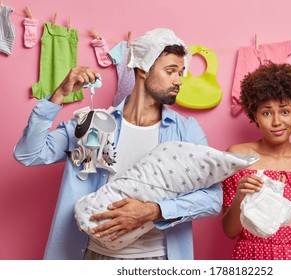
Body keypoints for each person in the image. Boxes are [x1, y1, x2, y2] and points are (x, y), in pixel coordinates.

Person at [14, 28, 222, 260]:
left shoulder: (186, 131)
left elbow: (213, 199)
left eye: (181, 72)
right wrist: (59, 95)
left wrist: (152, 211)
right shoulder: (92, 124)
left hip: (159, 259)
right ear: (142, 68)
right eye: (171, 71)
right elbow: (28, 154)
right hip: (93, 256)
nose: (178, 80)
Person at [221, 62, 291, 260]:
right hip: (251, 258)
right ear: (254, 114)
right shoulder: (238, 157)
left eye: (285, 111)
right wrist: (239, 196)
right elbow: (230, 233)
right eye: (266, 112)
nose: (276, 121)